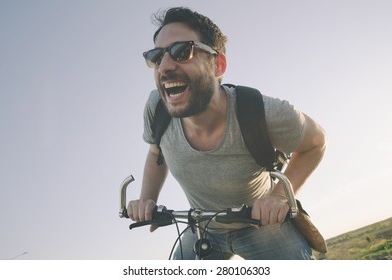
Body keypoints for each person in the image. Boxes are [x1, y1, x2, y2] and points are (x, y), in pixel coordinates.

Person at [128, 7, 327, 260]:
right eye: (156, 57)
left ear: (218, 65)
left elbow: (317, 142)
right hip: (202, 226)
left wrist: (279, 197)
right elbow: (156, 152)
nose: (164, 67)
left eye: (181, 51)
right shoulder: (157, 109)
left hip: (262, 225)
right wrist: (147, 199)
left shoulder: (263, 113)